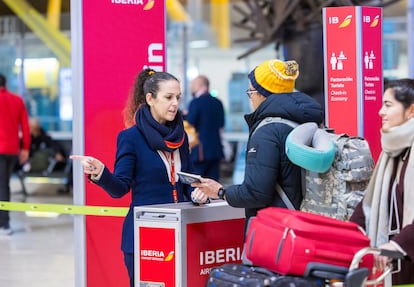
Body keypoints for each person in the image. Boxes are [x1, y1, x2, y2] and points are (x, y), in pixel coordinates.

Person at [71, 69, 208, 287]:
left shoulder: (180, 138)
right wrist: (100, 173)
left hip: (181, 233)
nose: (175, 104)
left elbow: (187, 180)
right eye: (168, 97)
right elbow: (119, 188)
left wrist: (197, 193)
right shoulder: (131, 138)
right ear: (150, 99)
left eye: (178, 97)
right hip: (145, 238)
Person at [191, 59, 324, 231]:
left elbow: (256, 192)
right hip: (302, 222)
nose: (250, 98)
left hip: (275, 228)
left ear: (263, 93)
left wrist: (220, 191)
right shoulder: (303, 121)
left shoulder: (268, 131)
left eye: (251, 92)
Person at [350, 78, 414, 285]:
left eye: (388, 105)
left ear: (411, 110)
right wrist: (347, 234)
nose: (380, 112)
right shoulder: (391, 150)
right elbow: (371, 202)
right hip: (396, 271)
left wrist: (398, 245)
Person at [0, 73, 31, 235]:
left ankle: (3, 224)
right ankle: (4, 224)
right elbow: (25, 127)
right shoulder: (17, 100)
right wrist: (25, 148)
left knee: (2, 186)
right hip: (11, 150)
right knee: (4, 185)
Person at [185, 75, 225, 180]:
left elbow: (190, 123)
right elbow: (221, 124)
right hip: (216, 150)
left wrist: (184, 115)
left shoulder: (195, 103)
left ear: (201, 85)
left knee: (198, 185)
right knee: (213, 184)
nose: (191, 87)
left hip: (200, 151)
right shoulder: (218, 103)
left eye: (193, 84)